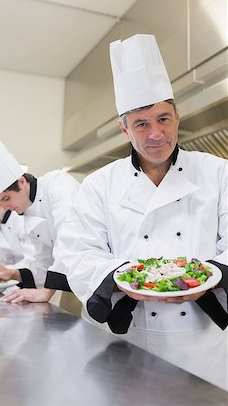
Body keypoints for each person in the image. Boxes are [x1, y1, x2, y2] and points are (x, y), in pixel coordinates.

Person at [51, 34, 228, 388]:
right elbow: (76, 251)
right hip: (128, 338)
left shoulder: (218, 172)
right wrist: (121, 279)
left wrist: (211, 274)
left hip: (205, 342)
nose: (157, 134)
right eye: (141, 124)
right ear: (124, 128)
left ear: (178, 116)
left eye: (164, 118)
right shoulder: (100, 184)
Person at [0, 140, 80, 303]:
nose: (6, 206)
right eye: (0, 202)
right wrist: (12, 273)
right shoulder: (25, 211)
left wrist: (46, 292)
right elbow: (42, 261)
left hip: (96, 279)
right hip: (73, 284)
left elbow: (70, 241)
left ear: (21, 182)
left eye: (6, 198)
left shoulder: (57, 185)